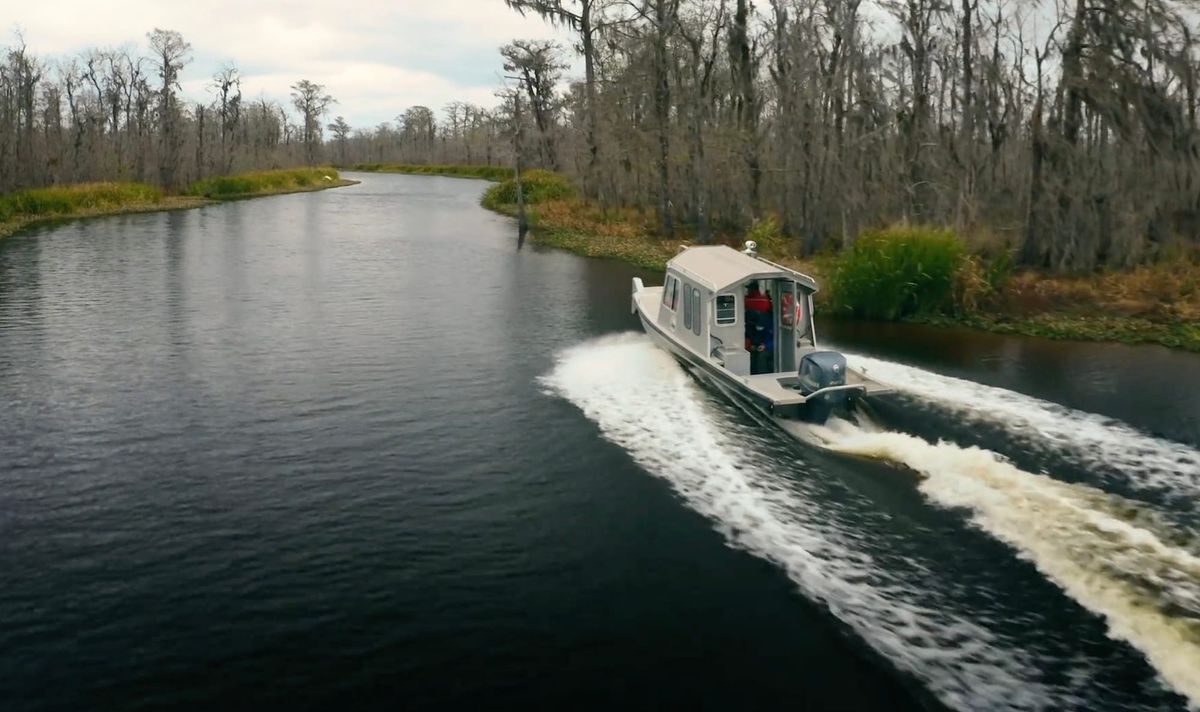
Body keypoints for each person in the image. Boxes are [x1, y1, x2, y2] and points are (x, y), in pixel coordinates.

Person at [744, 281, 773, 374]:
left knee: (762, 356)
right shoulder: (750, 322)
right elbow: (748, 334)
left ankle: (763, 375)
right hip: (755, 343)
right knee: (750, 354)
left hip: (767, 345)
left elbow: (774, 337)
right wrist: (751, 345)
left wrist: (765, 345)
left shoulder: (769, 320)